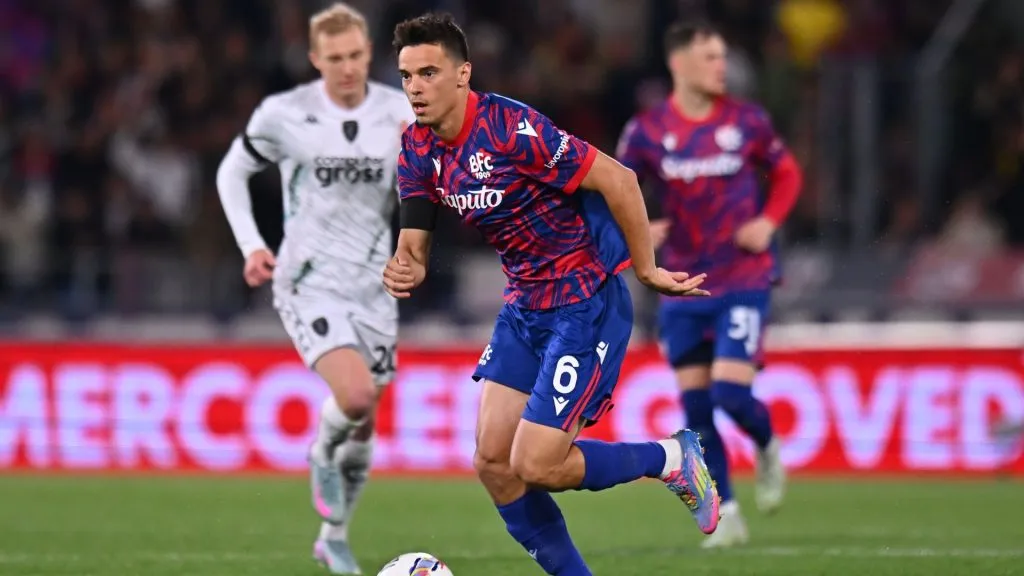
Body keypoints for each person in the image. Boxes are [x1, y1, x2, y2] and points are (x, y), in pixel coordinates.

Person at [383, 13, 720, 575]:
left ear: (463, 74)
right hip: (524, 307)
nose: (415, 87)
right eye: (406, 76)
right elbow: (413, 247)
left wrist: (646, 270)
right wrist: (403, 269)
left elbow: (618, 179)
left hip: (584, 300)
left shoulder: (510, 129)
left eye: (428, 73)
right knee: (494, 463)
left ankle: (669, 457)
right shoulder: (417, 149)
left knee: (537, 463)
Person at [215, 3, 413, 573]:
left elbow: (436, 180)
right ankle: (321, 450)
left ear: (369, 54)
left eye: (354, 56)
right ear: (314, 59)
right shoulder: (285, 114)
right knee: (354, 397)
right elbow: (232, 171)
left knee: (365, 420)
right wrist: (252, 245)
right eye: (334, 58)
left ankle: (334, 536)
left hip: (375, 285)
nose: (346, 68)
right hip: (309, 280)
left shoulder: (400, 112)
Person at [617, 19, 804, 548]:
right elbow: (615, 186)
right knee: (697, 410)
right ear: (679, 63)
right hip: (682, 283)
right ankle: (729, 516)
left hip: (743, 276)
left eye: (723, 56)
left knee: (730, 393)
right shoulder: (648, 131)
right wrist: (639, 228)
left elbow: (788, 173)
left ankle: (767, 445)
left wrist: (768, 221)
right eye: (711, 57)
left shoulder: (747, 121)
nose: (723, 66)